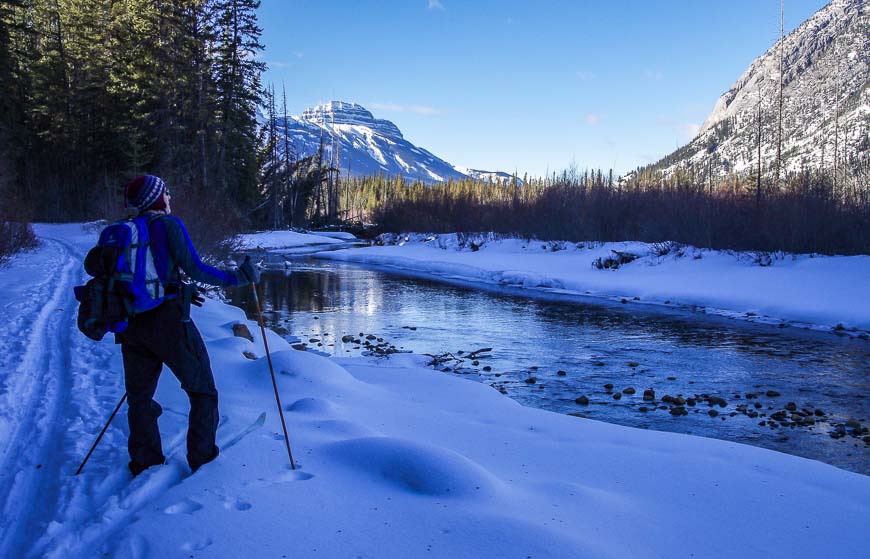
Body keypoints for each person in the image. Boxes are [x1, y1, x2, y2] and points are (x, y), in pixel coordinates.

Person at [118, 174, 259, 476]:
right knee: (203, 391)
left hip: (131, 324)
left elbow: (146, 274)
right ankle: (202, 457)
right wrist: (239, 277)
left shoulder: (124, 232)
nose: (170, 197)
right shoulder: (168, 225)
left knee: (139, 398)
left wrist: (178, 287)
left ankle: (144, 460)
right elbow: (196, 268)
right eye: (166, 193)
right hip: (169, 322)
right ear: (156, 198)